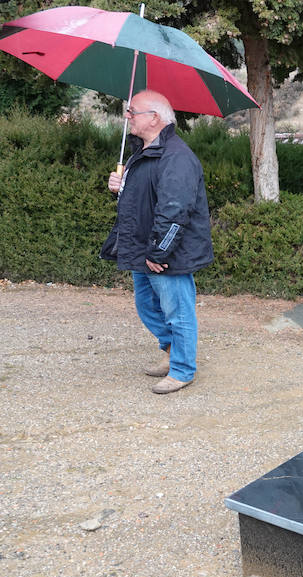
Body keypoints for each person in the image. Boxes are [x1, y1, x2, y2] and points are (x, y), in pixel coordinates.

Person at [100, 90, 213, 394]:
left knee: (178, 312)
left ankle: (182, 369)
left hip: (165, 252)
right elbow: (142, 198)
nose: (127, 116)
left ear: (154, 118)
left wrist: (159, 250)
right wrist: (120, 187)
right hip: (143, 248)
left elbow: (176, 209)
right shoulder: (143, 151)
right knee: (147, 307)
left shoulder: (177, 157)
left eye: (132, 111)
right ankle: (171, 352)